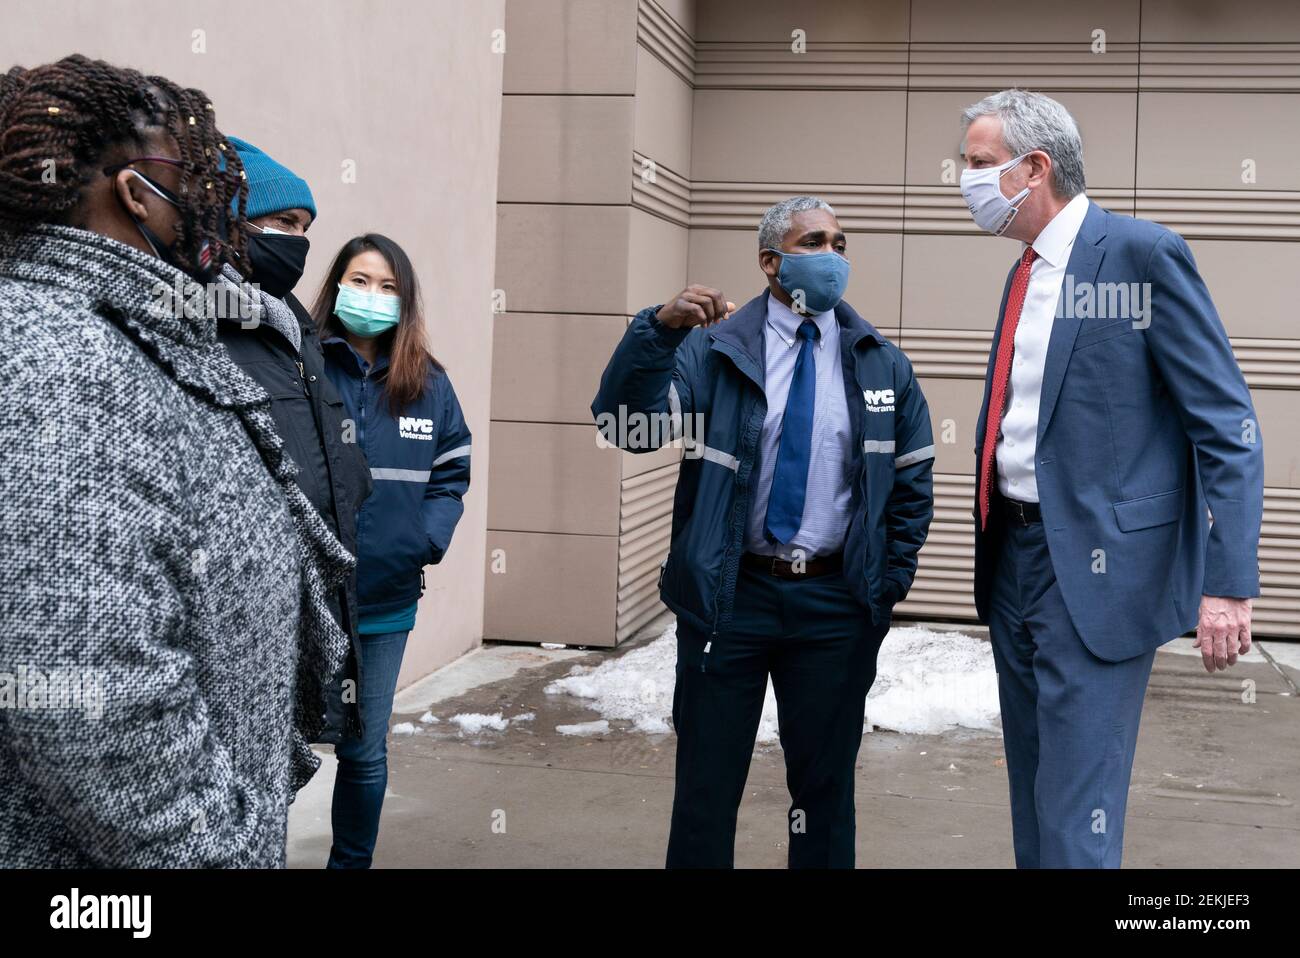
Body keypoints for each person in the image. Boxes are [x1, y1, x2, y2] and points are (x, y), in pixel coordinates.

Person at [0, 55, 352, 867]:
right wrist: (219, 849)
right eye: (194, 174)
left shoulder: (136, 331)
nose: (216, 201)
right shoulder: (62, 362)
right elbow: (94, 706)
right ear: (132, 193)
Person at [960, 90, 1264, 868]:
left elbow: (1227, 425)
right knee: (1035, 792)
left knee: (1076, 811)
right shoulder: (1023, 272)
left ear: (1035, 168)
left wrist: (1228, 584)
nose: (964, 180)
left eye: (979, 164)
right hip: (1013, 562)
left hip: (1096, 572)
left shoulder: (1140, 255)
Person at [592, 196, 935, 868]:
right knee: (705, 793)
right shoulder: (710, 351)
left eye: (840, 242)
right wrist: (657, 333)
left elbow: (913, 484)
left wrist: (883, 588)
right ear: (770, 261)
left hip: (834, 608)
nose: (832, 256)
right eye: (815, 242)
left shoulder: (880, 363)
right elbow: (624, 426)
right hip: (731, 601)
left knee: (824, 800)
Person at [312, 233, 472, 868]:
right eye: (359, 281)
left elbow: (452, 471)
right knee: (272, 743)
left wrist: (423, 542)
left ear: (406, 302)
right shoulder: (299, 362)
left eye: (388, 287)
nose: (372, 297)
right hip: (301, 596)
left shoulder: (429, 384)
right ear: (336, 286)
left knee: (364, 749)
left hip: (384, 598)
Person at [215, 136, 372, 745]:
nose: (298, 241)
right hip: (246, 611)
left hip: (308, 600)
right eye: (283, 221)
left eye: (305, 227)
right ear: (233, 220)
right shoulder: (203, 321)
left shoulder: (292, 328)